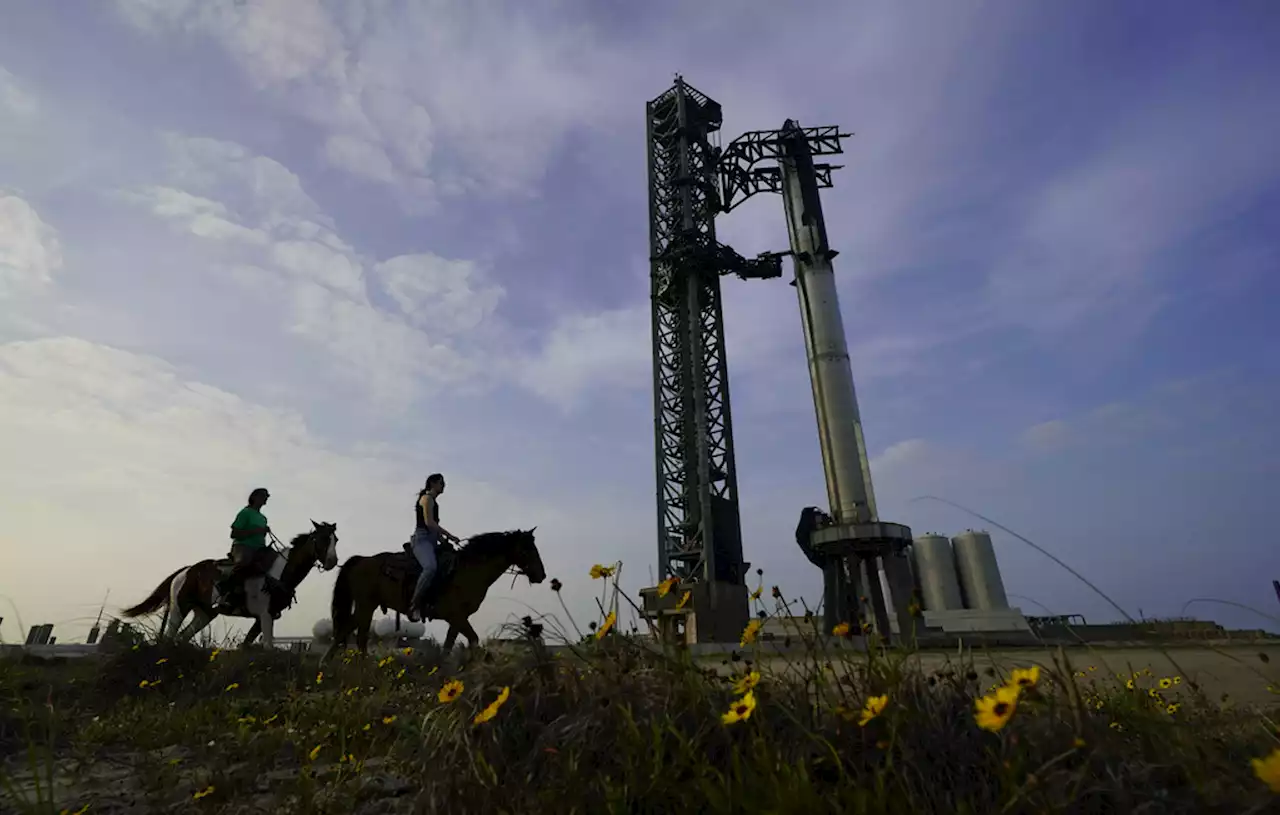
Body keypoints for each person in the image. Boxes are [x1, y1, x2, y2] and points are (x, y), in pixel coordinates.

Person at [214, 488, 278, 611]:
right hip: (242, 546)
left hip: (259, 548)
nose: (265, 499)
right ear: (254, 497)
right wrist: (256, 531)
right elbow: (234, 534)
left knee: (276, 561)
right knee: (245, 562)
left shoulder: (263, 518)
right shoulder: (245, 513)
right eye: (263, 496)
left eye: (266, 497)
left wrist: (264, 532)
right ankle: (227, 594)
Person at [408, 473, 460, 622]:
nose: (443, 485)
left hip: (431, 540)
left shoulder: (434, 502)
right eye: (441, 482)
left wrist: (444, 541)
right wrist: (450, 536)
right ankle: (415, 604)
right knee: (430, 567)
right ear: (432, 483)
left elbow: (434, 530)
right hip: (422, 540)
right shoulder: (426, 499)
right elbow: (429, 523)